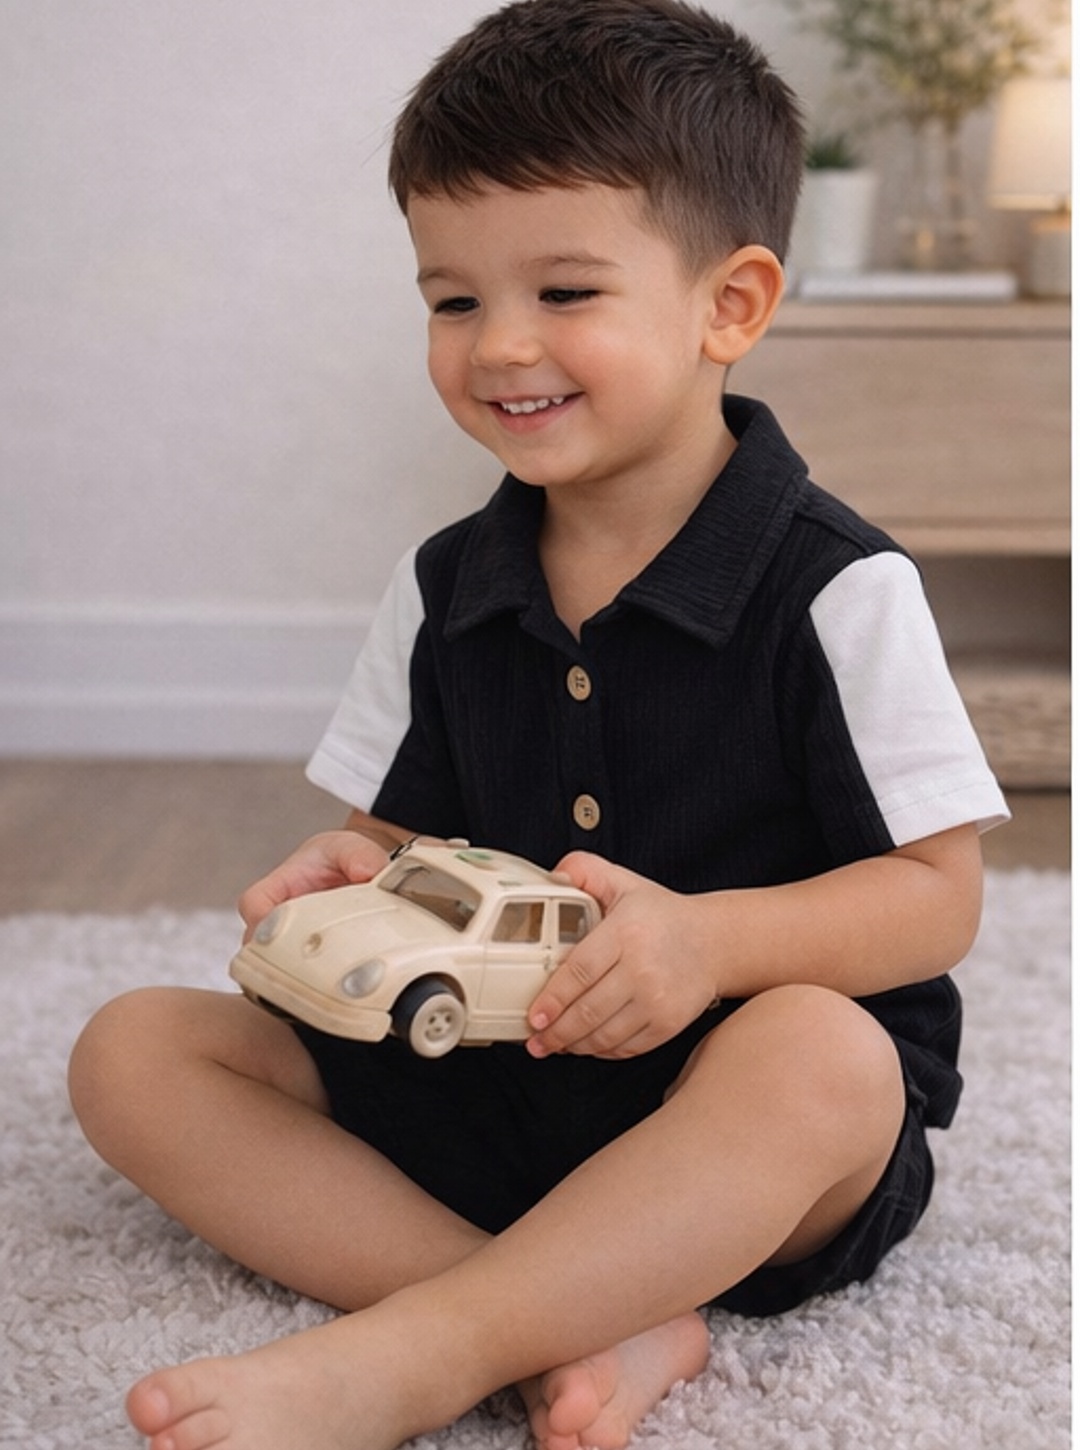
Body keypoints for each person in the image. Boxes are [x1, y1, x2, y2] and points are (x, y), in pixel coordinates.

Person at [68, 3, 1008, 1448]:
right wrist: (347, 877)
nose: (500, 345)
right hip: (492, 1075)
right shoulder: (446, 582)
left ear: (730, 305)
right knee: (132, 1051)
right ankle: (565, 1312)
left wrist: (712, 947)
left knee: (825, 1053)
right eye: (453, 301)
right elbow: (397, 840)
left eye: (565, 291)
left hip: (737, 1132)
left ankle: (422, 1352)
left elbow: (937, 900)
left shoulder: (839, 587)